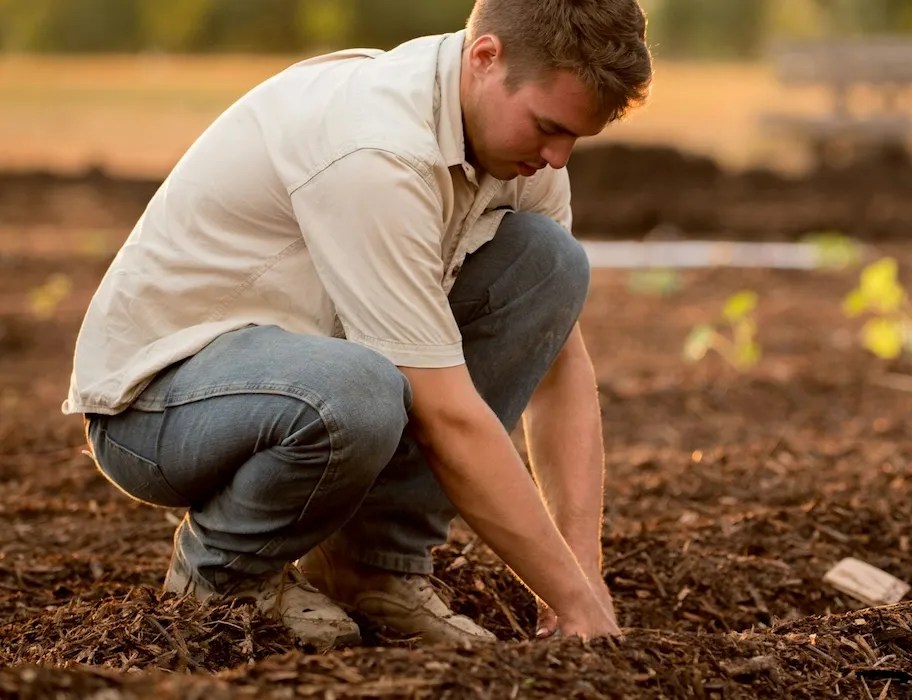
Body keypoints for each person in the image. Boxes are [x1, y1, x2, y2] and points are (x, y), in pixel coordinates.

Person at [63, 0, 652, 650]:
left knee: (548, 265)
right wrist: (573, 600)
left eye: (574, 136)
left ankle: (374, 568)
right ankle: (222, 577)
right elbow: (447, 414)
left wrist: (581, 585)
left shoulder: (520, 153)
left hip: (306, 372)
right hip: (159, 405)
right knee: (361, 391)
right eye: (547, 126)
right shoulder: (377, 148)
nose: (559, 157)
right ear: (486, 58)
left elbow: (559, 367)